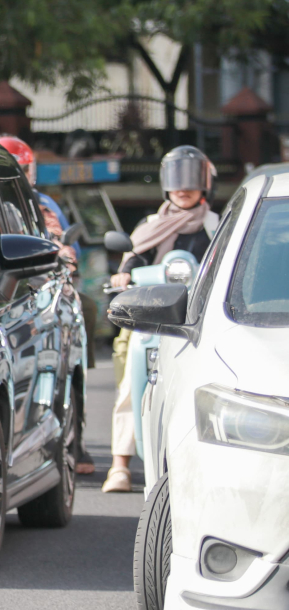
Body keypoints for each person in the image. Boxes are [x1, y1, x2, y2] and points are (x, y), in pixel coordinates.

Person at [102, 145, 218, 493]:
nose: (183, 188)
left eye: (191, 179)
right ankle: (120, 464)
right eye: (176, 179)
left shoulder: (217, 225)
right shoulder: (151, 226)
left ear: (205, 184)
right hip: (152, 320)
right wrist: (125, 276)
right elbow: (130, 259)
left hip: (199, 320)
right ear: (166, 184)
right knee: (128, 385)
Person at [0, 135, 98, 474]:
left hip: (41, 287)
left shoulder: (42, 205)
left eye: (22, 170)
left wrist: (63, 258)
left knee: (81, 322)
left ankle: (76, 439)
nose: (18, 177)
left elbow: (62, 242)